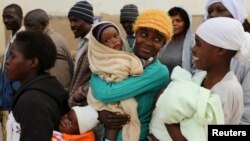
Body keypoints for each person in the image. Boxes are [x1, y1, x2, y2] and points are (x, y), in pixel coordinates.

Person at [152, 17, 250, 141]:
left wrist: (169, 122)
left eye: (198, 44)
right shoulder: (201, 77)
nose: (193, 49)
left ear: (220, 50)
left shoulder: (228, 90)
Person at [90, 9, 173, 141]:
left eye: (157, 39)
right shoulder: (125, 57)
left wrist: (95, 78)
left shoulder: (159, 72)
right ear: (136, 34)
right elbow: (97, 73)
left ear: (164, 43)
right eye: (144, 34)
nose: (148, 43)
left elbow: (106, 93)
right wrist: (100, 114)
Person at [87, 21, 152, 141]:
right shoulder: (104, 58)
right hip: (105, 99)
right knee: (116, 115)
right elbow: (127, 69)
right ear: (99, 46)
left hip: (110, 91)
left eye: (115, 36)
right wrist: (144, 64)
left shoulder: (122, 55)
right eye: (106, 41)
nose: (114, 41)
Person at [5, 31, 69, 141]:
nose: (7, 62)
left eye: (12, 56)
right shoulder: (47, 86)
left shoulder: (32, 102)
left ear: (33, 62)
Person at [204, 0, 250, 125]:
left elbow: (247, 117)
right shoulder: (205, 49)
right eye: (210, 11)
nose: (212, 15)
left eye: (220, 10)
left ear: (236, 15)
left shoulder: (247, 54)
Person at [67, 1, 104, 140]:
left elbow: (104, 75)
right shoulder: (82, 40)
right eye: (70, 21)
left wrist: (79, 93)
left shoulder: (97, 41)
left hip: (93, 108)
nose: (71, 25)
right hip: (81, 108)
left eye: (76, 20)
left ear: (88, 20)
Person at [23, 9, 74, 92]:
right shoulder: (48, 40)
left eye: (30, 26)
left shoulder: (53, 44)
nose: (26, 30)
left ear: (43, 25)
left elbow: (61, 85)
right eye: (26, 26)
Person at [1, 4, 23, 141]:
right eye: (4, 17)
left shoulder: (22, 41)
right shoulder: (12, 38)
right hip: (6, 103)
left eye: (10, 17)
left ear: (21, 18)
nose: (5, 20)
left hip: (14, 104)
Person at [160, 7, 195, 74]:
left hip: (183, 83)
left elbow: (196, 69)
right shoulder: (164, 41)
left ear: (186, 23)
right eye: (171, 21)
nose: (174, 24)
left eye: (178, 21)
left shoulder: (193, 42)